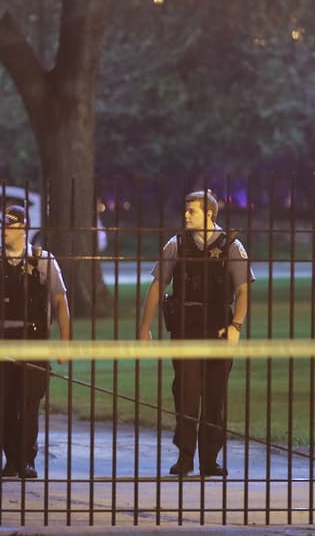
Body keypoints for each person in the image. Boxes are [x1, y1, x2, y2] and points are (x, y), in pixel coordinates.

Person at [137, 190, 254, 478]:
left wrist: (236, 325)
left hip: (218, 331)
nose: (186, 215)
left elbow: (242, 291)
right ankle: (186, 457)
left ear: (210, 214)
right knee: (186, 394)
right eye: (186, 210)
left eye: (192, 211)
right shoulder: (176, 245)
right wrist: (144, 327)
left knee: (215, 396)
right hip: (185, 331)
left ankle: (210, 461)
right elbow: (157, 286)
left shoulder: (232, 247)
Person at [0, 204, 71, 479]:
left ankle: (26, 459)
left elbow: (61, 301)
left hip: (32, 340)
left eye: (10, 225)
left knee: (27, 401)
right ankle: (11, 458)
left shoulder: (42, 260)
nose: (5, 230)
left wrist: (64, 342)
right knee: (2, 403)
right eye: (2, 225)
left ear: (23, 228)